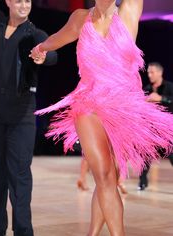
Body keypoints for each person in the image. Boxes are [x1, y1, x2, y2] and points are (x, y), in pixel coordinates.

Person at [30, 0, 173, 235]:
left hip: (124, 109)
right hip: (88, 103)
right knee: (105, 175)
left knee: (110, 177)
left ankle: (92, 233)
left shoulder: (129, 10)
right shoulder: (80, 18)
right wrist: (41, 48)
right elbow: (59, 36)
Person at [0, 0, 57, 235]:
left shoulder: (35, 33)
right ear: (8, 1)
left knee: (20, 173)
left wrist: (44, 57)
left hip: (21, 112)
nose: (24, 5)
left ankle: (23, 230)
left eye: (28, 1)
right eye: (18, 0)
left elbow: (52, 53)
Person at [138, 62, 173, 190]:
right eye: (148, 72)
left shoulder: (169, 87)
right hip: (151, 130)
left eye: (152, 72)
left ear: (160, 73)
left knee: (172, 154)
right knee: (145, 155)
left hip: (167, 130)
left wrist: (161, 98)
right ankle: (142, 182)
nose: (149, 74)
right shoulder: (147, 89)